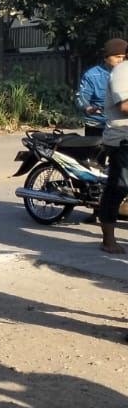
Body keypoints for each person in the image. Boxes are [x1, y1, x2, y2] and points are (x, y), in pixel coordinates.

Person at [96, 44, 128, 254]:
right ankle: (108, 240)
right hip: (122, 140)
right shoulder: (122, 71)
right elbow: (124, 106)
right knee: (119, 187)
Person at [75, 40, 128, 137]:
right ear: (105, 58)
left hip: (120, 125)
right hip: (97, 124)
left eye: (124, 57)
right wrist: (88, 108)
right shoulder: (92, 75)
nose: (121, 60)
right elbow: (81, 96)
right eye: (117, 57)